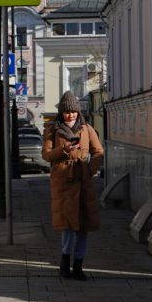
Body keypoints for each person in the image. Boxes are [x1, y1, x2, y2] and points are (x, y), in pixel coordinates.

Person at [41, 91, 104, 281]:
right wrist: (64, 150)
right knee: (67, 226)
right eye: (67, 112)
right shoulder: (53, 129)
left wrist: (90, 169)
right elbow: (46, 155)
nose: (71, 115)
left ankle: (78, 266)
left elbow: (98, 151)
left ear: (78, 112)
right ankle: (64, 265)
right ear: (62, 113)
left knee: (83, 226)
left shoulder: (86, 129)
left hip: (83, 181)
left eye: (74, 112)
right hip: (63, 182)